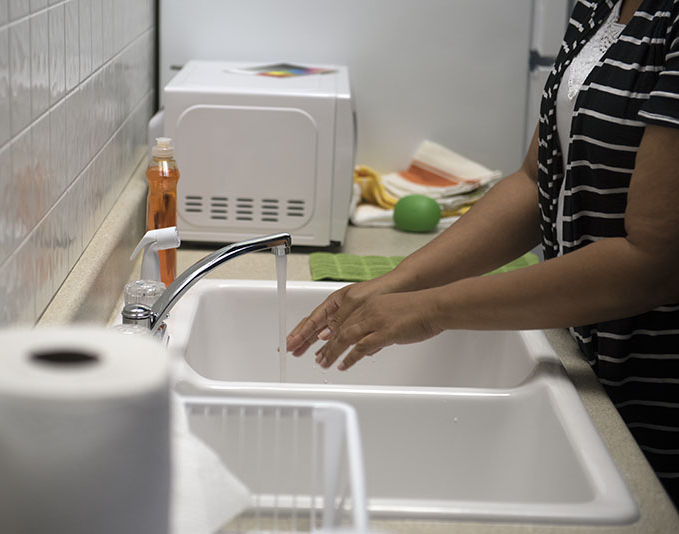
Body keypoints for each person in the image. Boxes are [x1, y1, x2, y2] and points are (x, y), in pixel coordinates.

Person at [286, 0, 679, 507]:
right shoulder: (600, 5)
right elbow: (533, 182)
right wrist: (400, 282)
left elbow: (653, 264)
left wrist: (433, 308)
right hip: (592, 357)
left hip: (658, 392)